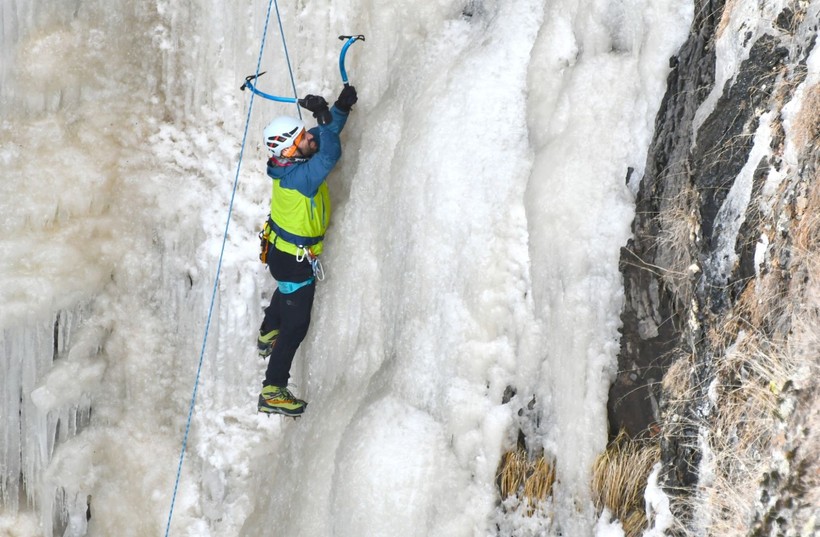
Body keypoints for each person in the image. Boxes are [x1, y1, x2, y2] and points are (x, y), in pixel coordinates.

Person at [255, 85, 357, 416]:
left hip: (283, 254)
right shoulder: (301, 177)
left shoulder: (289, 162)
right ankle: (273, 389)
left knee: (287, 293)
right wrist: (323, 115)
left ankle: (269, 328)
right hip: (294, 260)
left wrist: (337, 110)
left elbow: (321, 136)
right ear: (289, 151)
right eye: (301, 138)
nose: (308, 138)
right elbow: (329, 153)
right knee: (296, 324)